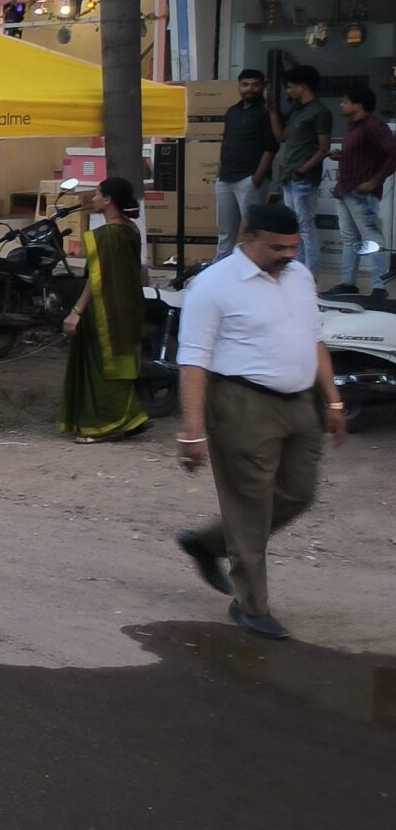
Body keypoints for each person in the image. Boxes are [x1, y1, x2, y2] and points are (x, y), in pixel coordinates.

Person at [171, 202, 345, 640]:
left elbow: (315, 339)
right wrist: (192, 430)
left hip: (299, 403)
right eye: (277, 247)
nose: (288, 255)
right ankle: (251, 605)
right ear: (248, 236)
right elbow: (192, 360)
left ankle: (208, 543)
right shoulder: (212, 286)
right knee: (250, 504)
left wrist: (334, 401)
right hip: (240, 404)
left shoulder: (300, 276)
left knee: (299, 495)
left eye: (293, 246)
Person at [61, 178, 151, 443]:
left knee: (103, 368)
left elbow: (96, 279)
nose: (94, 198)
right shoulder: (131, 228)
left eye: (98, 194)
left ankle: (106, 424)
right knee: (119, 364)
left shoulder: (109, 235)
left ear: (109, 200)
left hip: (105, 310)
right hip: (128, 307)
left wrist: (76, 311)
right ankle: (130, 416)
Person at [326, 86, 393, 297]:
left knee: (372, 237)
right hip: (346, 189)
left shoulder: (373, 125)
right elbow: (364, 154)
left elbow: (393, 153)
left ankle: (380, 287)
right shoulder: (354, 126)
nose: (341, 105)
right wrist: (342, 155)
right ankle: (348, 283)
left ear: (358, 105)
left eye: (345, 101)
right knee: (349, 238)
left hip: (361, 192)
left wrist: (375, 181)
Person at [272, 65, 332, 271]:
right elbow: (282, 136)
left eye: (290, 87)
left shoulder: (319, 112)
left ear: (302, 86)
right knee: (295, 228)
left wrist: (302, 171)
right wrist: (272, 111)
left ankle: (311, 275)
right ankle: (298, 271)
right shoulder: (298, 111)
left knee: (306, 228)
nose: (288, 91)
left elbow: (324, 149)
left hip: (302, 179)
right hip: (290, 177)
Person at [214, 70, 277, 251]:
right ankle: (222, 272)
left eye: (255, 84)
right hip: (225, 178)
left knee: (253, 231)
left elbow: (271, 147)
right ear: (239, 86)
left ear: (263, 87)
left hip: (249, 179)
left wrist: (257, 178)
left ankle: (255, 270)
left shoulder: (266, 113)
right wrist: (219, 173)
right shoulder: (232, 111)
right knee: (225, 231)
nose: (250, 89)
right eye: (245, 84)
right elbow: (226, 142)